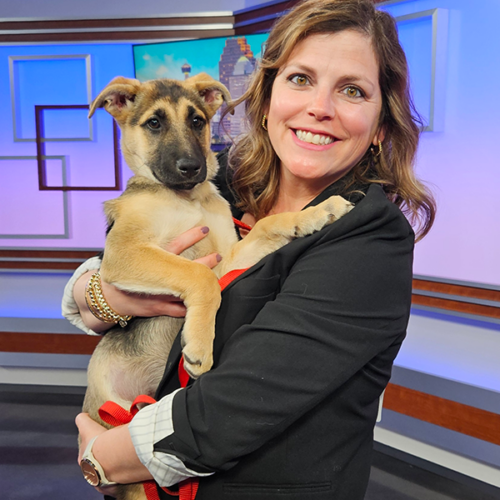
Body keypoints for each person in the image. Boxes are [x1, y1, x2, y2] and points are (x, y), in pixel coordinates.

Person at [65, 0, 436, 498]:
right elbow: (111, 269)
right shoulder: (224, 186)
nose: (319, 106)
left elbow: (230, 412)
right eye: (301, 78)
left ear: (381, 127)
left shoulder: (371, 239)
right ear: (268, 95)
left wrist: (102, 460)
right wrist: (101, 296)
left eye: (352, 90)